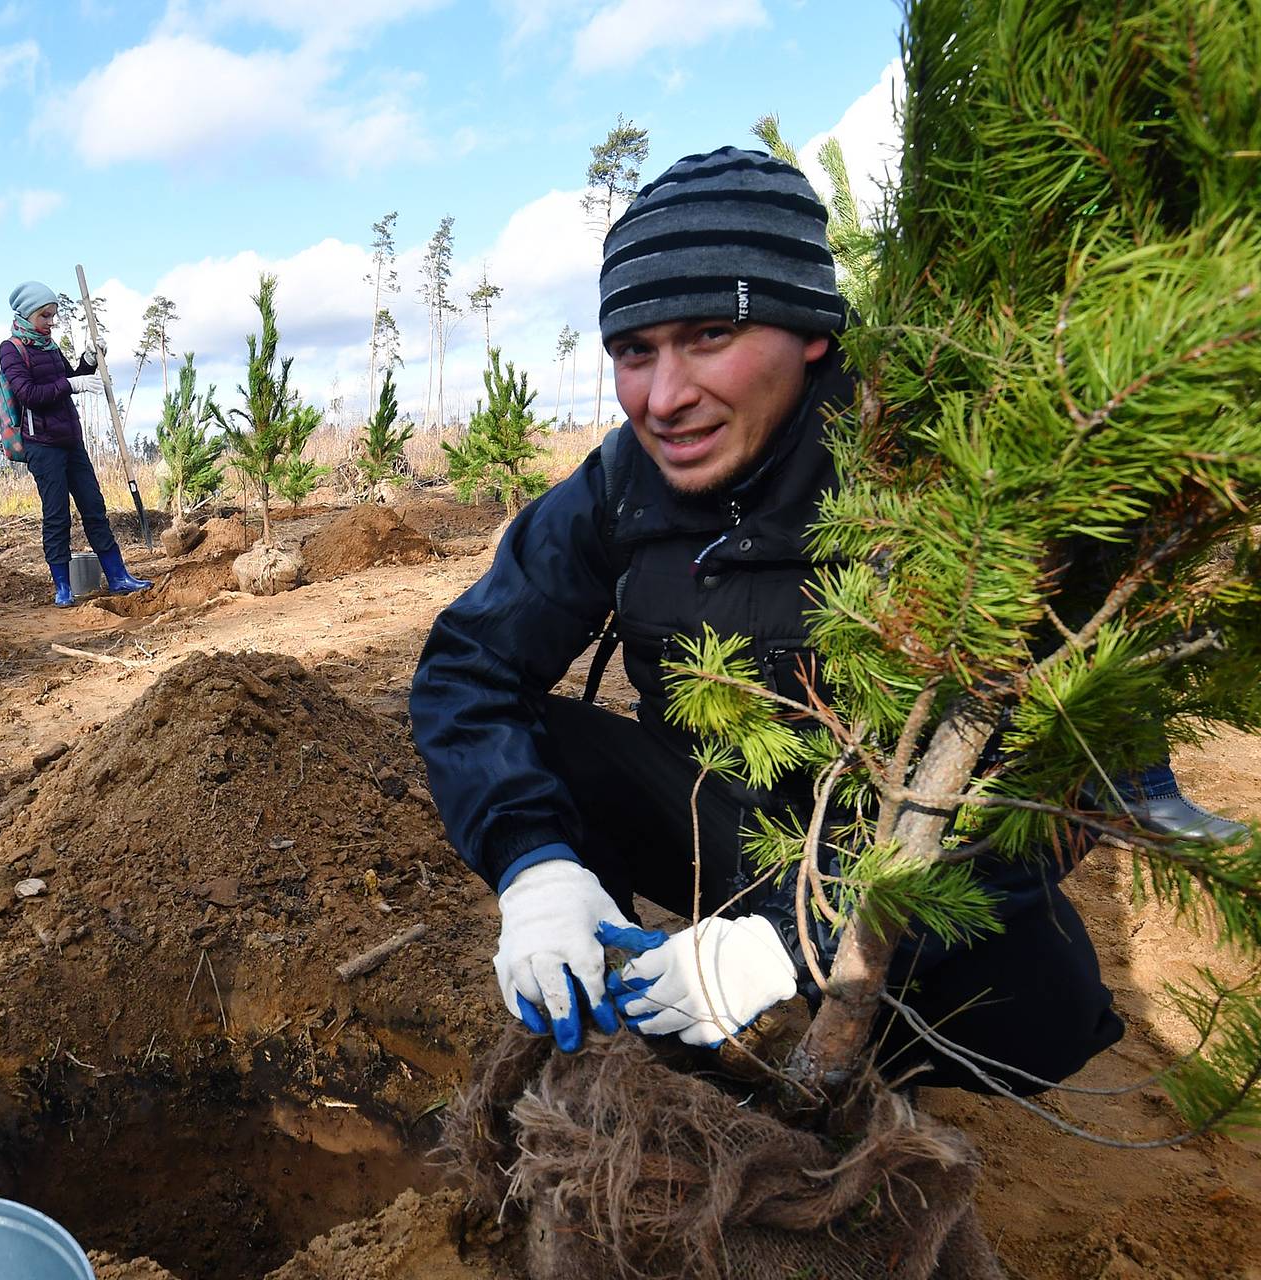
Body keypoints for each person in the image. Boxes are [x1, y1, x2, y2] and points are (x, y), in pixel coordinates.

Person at [410, 147, 1211, 1093]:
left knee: (1041, 1008)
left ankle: (836, 1060)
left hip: (894, 859)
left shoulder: (949, 482)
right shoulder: (621, 484)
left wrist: (800, 948)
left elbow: (1062, 785)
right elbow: (469, 670)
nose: (664, 398)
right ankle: (633, 1032)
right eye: (634, 350)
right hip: (718, 828)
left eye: (709, 335)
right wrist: (533, 867)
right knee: (540, 743)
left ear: (812, 332)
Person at [0, 281, 151, 607]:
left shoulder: (50, 346)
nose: (51, 322)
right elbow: (29, 394)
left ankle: (119, 576)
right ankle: (63, 588)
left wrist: (88, 361)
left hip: (71, 441)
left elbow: (71, 377)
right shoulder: (11, 348)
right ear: (27, 313)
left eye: (53, 315)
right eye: (45, 316)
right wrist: (74, 383)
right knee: (57, 516)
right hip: (42, 445)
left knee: (94, 508)